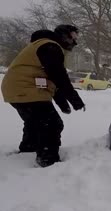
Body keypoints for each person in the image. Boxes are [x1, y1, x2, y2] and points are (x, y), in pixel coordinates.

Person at [1, 25, 86, 167]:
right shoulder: (50, 47)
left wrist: (63, 104)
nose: (74, 41)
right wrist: (75, 100)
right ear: (64, 36)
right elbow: (59, 76)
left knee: (34, 122)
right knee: (52, 124)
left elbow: (52, 80)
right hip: (26, 87)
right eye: (72, 36)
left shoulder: (45, 46)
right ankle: (48, 160)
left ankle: (28, 150)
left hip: (16, 88)